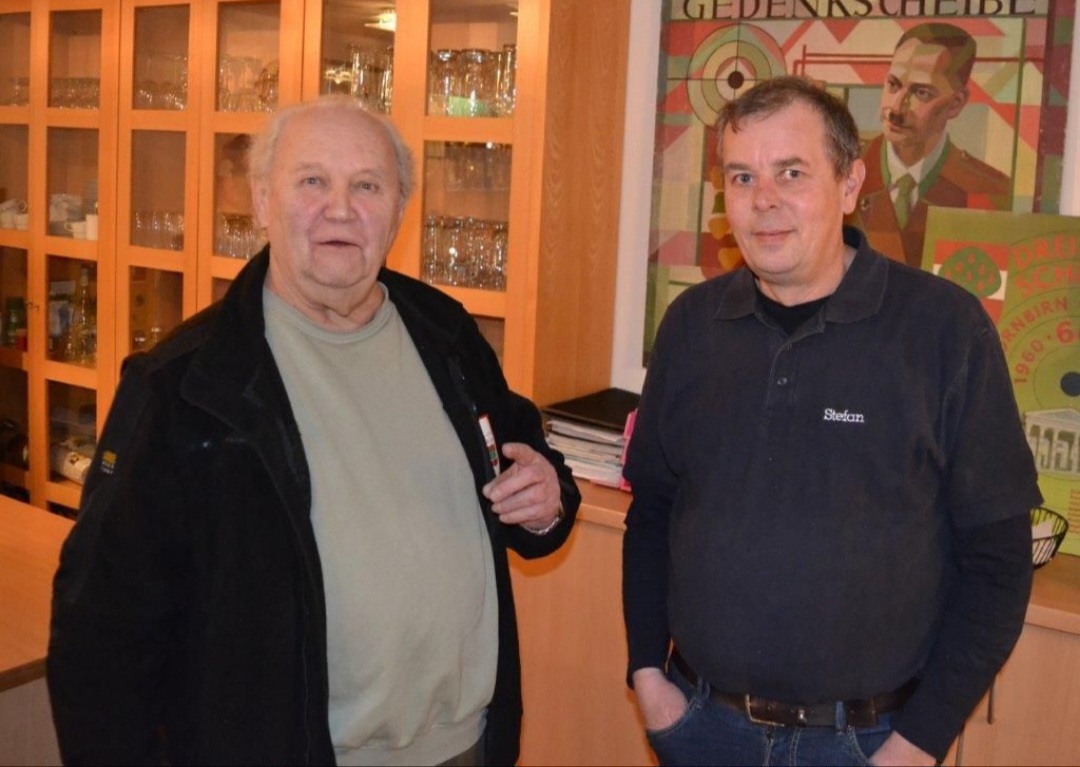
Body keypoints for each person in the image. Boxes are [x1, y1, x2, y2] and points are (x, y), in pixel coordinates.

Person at [47, 95, 579, 767]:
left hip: (466, 747)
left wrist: (546, 501)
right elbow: (101, 635)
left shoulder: (445, 333)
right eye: (312, 181)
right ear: (262, 201)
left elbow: (531, 469)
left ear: (398, 210)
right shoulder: (187, 386)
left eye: (367, 186)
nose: (340, 209)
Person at [622, 76, 1039, 767]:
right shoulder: (691, 326)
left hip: (869, 741)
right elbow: (652, 513)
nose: (764, 200)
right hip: (700, 726)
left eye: (791, 172)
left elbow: (999, 562)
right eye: (742, 176)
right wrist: (647, 674)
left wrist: (920, 742)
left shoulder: (944, 331)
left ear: (850, 184)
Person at [855, 22, 1011, 268]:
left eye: (921, 93)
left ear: (956, 103)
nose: (895, 108)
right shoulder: (841, 170)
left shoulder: (989, 191)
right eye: (893, 84)